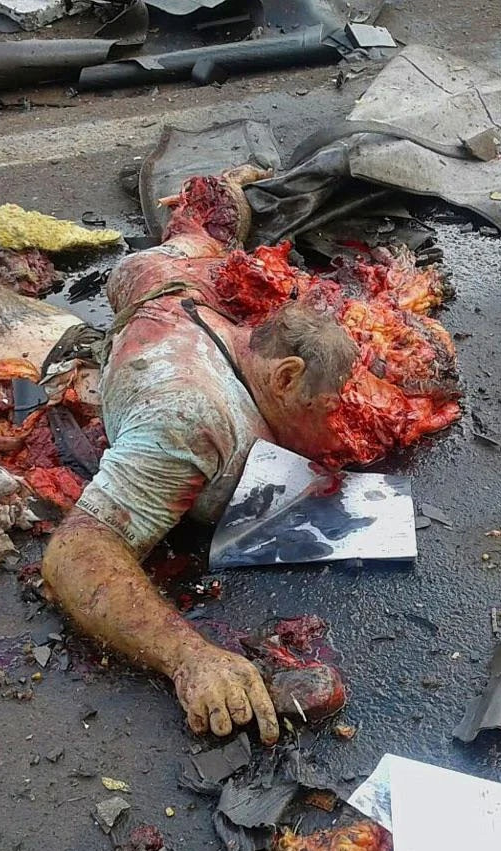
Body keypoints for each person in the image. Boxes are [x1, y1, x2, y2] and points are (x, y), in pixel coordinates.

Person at [41, 169, 361, 746]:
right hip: (155, 296)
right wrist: (189, 658)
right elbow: (76, 551)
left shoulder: (247, 324)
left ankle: (229, 180)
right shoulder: (192, 417)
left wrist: (229, 195)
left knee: (213, 226)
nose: (335, 428)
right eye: (327, 410)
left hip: (175, 280)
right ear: (286, 376)